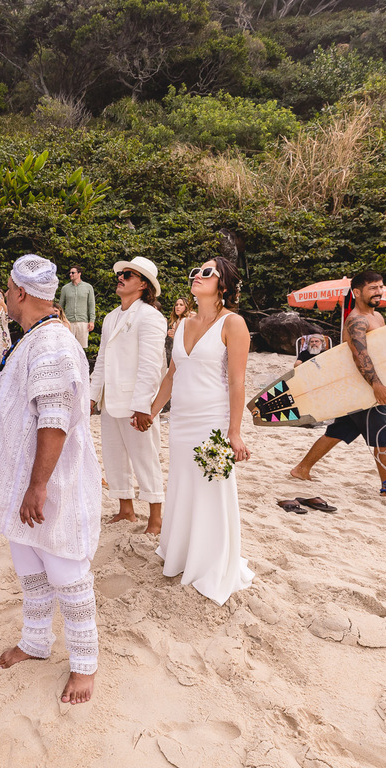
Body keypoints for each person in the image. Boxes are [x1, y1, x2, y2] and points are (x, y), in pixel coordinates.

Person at [0, 254, 102, 705]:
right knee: (30, 568)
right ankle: (36, 641)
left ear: (22, 292)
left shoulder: (50, 344)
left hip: (51, 482)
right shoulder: (36, 337)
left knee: (66, 570)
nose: (6, 296)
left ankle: (84, 665)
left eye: (9, 289)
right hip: (25, 482)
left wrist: (39, 484)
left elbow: (55, 418)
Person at [145, 256, 255, 605]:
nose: (197, 276)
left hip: (212, 419)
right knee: (182, 483)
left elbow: (237, 382)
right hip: (182, 420)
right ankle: (181, 552)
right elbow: (173, 374)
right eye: (195, 271)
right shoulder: (184, 323)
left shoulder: (233, 323)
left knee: (212, 488)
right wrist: (151, 411)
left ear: (222, 285)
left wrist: (234, 432)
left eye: (206, 272)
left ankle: (211, 562)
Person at [290, 271, 386, 504]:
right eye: (372, 288)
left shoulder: (377, 317)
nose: (379, 291)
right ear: (357, 292)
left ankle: (301, 469)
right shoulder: (357, 320)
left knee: (341, 430)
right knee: (384, 435)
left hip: (363, 385)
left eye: (381, 287)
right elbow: (361, 355)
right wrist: (376, 385)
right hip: (363, 387)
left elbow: (382, 355)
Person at [90, 256, 168, 535]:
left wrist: (143, 407)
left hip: (137, 402)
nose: (120, 277)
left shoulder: (151, 316)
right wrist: (91, 396)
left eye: (128, 275)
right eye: (121, 273)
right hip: (110, 399)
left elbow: (150, 366)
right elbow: (102, 360)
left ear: (143, 284)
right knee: (113, 455)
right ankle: (126, 509)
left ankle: (156, 518)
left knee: (145, 457)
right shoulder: (111, 317)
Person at [58, 266, 96, 348]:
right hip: (68, 322)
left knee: (81, 349)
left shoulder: (88, 287)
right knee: (68, 347)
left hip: (82, 323)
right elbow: (60, 306)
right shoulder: (65, 288)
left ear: (79, 273)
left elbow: (91, 304)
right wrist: (60, 320)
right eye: (70, 273)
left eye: (73, 273)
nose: (70, 274)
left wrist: (92, 320)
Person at [166, 295, 194, 363]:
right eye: (176, 305)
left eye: (181, 305)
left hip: (189, 354)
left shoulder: (191, 317)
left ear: (186, 307)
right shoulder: (176, 321)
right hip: (178, 352)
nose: (178, 307)